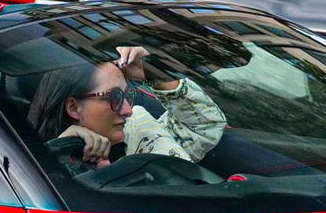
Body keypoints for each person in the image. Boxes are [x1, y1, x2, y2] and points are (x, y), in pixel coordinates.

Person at [28, 45, 226, 170]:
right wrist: (62, 153)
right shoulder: (28, 165)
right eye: (114, 97)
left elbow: (205, 126)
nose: (127, 110)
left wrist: (155, 74)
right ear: (73, 107)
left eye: (127, 95)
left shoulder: (137, 127)